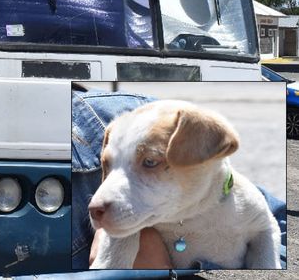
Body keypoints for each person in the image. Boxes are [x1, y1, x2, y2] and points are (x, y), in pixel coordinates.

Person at [71, 87, 287, 271]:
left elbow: (266, 229)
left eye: (150, 162)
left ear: (203, 152)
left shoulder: (245, 202)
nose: (96, 203)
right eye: (108, 164)